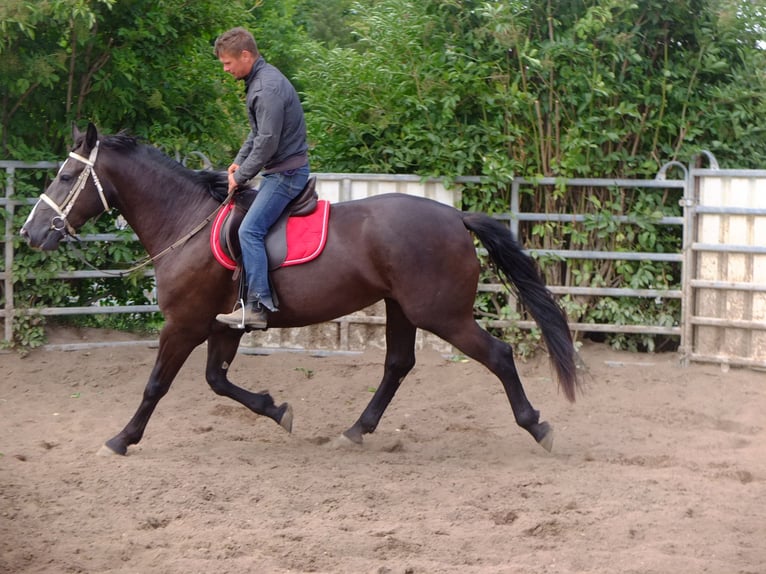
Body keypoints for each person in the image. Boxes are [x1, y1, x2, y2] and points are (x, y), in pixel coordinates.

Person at [213, 27, 310, 329]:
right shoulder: (261, 81)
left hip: (286, 175)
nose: (226, 69)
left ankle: (257, 306)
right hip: (278, 170)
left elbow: (267, 142)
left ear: (245, 55)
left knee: (249, 231)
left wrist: (241, 177)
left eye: (228, 63)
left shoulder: (266, 88)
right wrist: (237, 164)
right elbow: (257, 134)